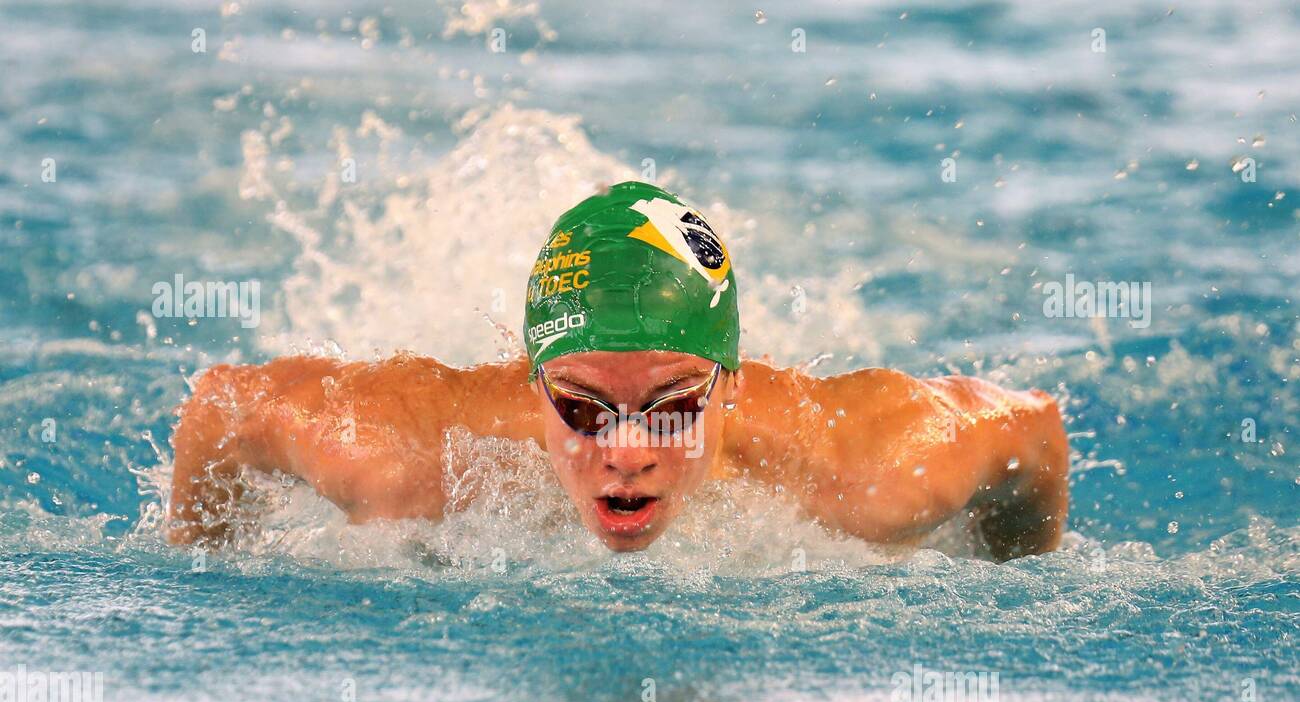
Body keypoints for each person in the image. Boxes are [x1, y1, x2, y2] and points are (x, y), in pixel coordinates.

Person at [167, 181, 1068, 560]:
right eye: (585, 411)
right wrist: (205, 569)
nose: (627, 452)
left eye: (674, 404)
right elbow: (220, 408)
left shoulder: (868, 467)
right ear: (534, 386)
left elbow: (1036, 430)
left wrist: (1004, 577)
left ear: (735, 380)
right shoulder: (402, 453)